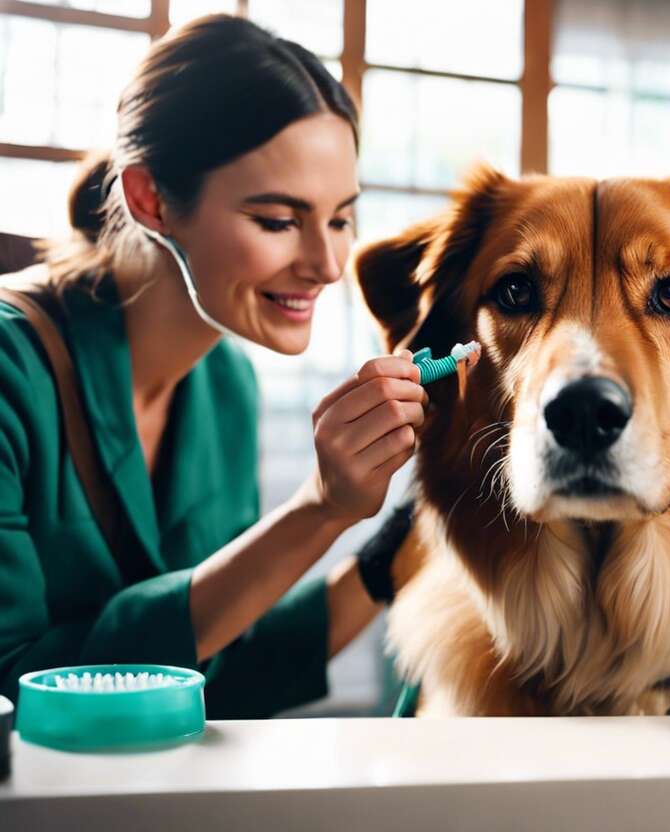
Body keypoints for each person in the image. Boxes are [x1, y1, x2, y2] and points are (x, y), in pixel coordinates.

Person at [0, 15, 424, 717]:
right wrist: (318, 510)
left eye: (342, 218)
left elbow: (219, 666)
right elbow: (19, 693)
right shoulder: (13, 371)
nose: (326, 264)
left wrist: (389, 550)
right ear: (152, 200)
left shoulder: (225, 385)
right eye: (278, 221)